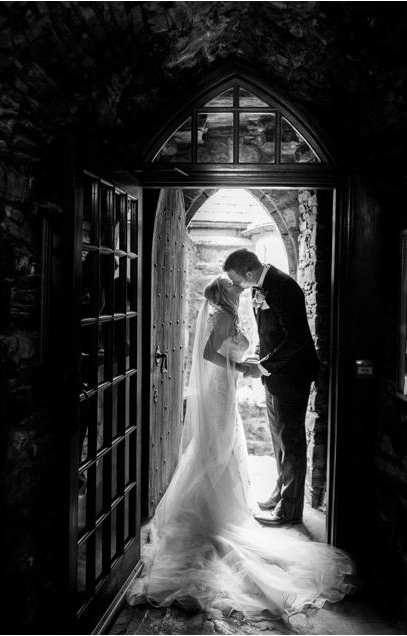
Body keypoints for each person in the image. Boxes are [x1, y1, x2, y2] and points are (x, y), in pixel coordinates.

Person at [125, 278, 353, 618]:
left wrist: (248, 362)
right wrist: (241, 367)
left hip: (225, 389)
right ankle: (211, 514)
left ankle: (222, 510)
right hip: (221, 389)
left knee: (225, 449)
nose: (240, 288)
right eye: (234, 286)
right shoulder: (223, 317)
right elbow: (208, 354)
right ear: (225, 293)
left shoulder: (230, 314)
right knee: (218, 449)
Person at [223, 249, 321, 527]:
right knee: (278, 440)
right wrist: (257, 355)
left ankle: (290, 511)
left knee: (291, 441)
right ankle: (281, 493)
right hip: (276, 375)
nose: (236, 286)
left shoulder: (283, 286)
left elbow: (297, 339)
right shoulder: (261, 286)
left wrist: (263, 365)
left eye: (237, 280)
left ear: (250, 273)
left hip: (292, 375)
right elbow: (268, 330)